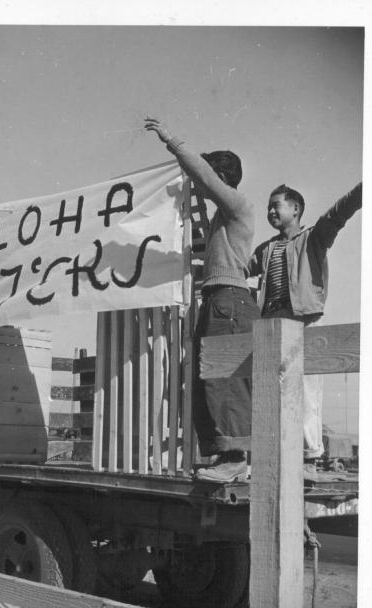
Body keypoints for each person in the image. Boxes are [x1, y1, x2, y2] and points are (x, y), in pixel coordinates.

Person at [145, 117, 260, 482]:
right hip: (217, 298)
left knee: (225, 378)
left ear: (223, 179)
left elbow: (205, 179)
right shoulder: (219, 221)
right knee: (207, 378)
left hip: (230, 300)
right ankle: (227, 455)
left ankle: (235, 458)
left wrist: (172, 142)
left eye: (212, 176)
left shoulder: (239, 205)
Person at [249, 182, 362, 480]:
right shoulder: (267, 248)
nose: (271, 211)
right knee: (272, 389)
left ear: (296, 209)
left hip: (304, 319)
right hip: (272, 322)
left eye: (277, 205)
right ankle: (275, 452)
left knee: (308, 389)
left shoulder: (313, 237)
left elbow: (338, 213)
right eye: (268, 207)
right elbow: (240, 268)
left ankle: (310, 456)